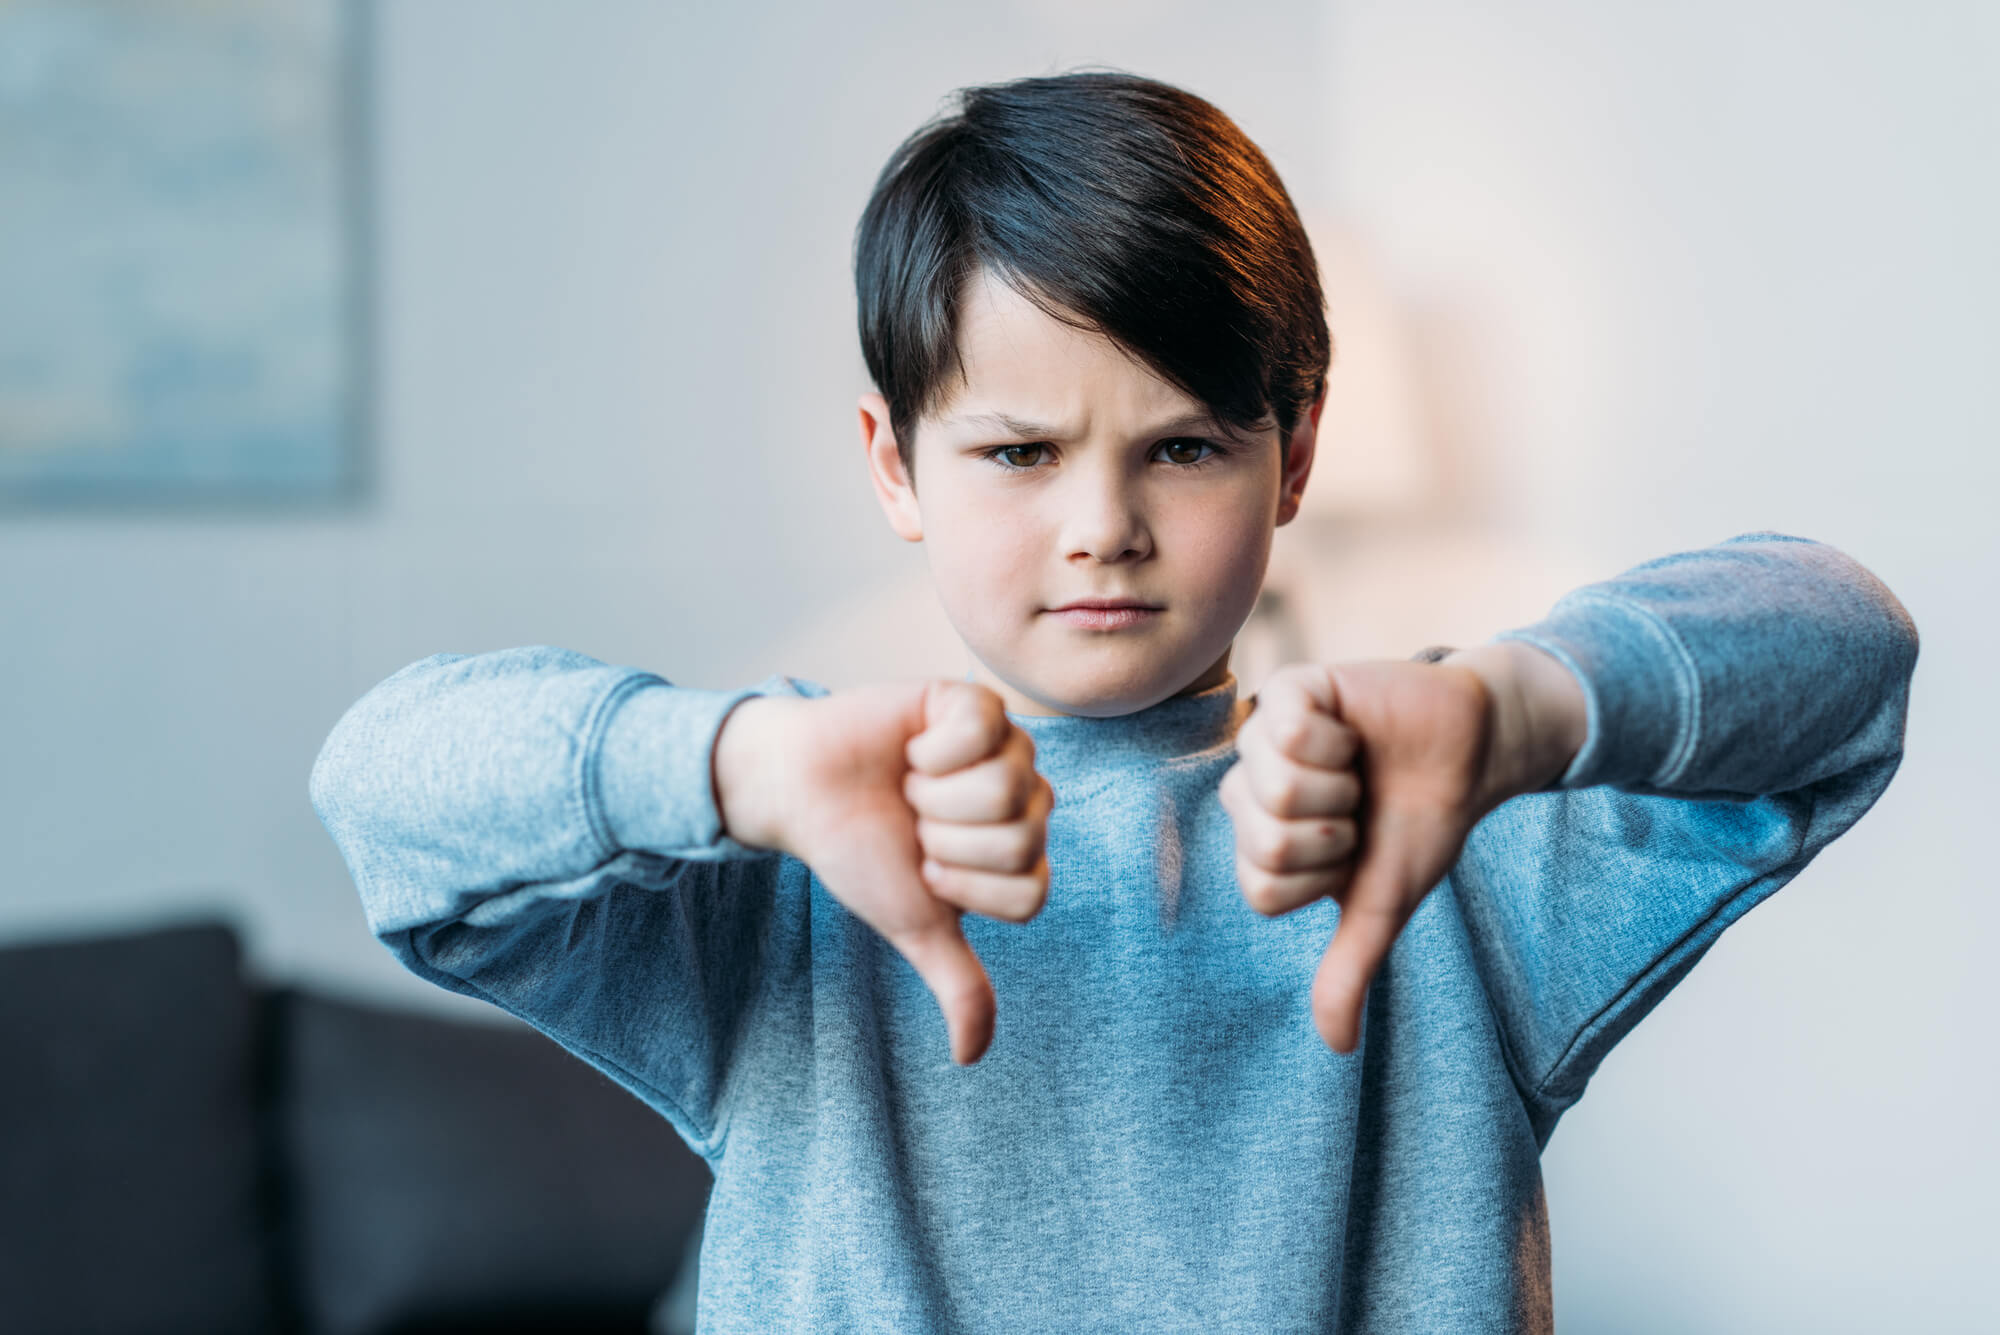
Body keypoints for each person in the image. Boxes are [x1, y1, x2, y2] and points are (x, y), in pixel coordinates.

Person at [309, 70, 1919, 1334]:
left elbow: (1844, 645)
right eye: (1019, 451)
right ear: (896, 466)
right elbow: (384, 782)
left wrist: (1517, 711)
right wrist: (742, 762)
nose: (1102, 523)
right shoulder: (798, 854)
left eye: (1186, 444)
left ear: (1296, 455)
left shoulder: (1439, 829)